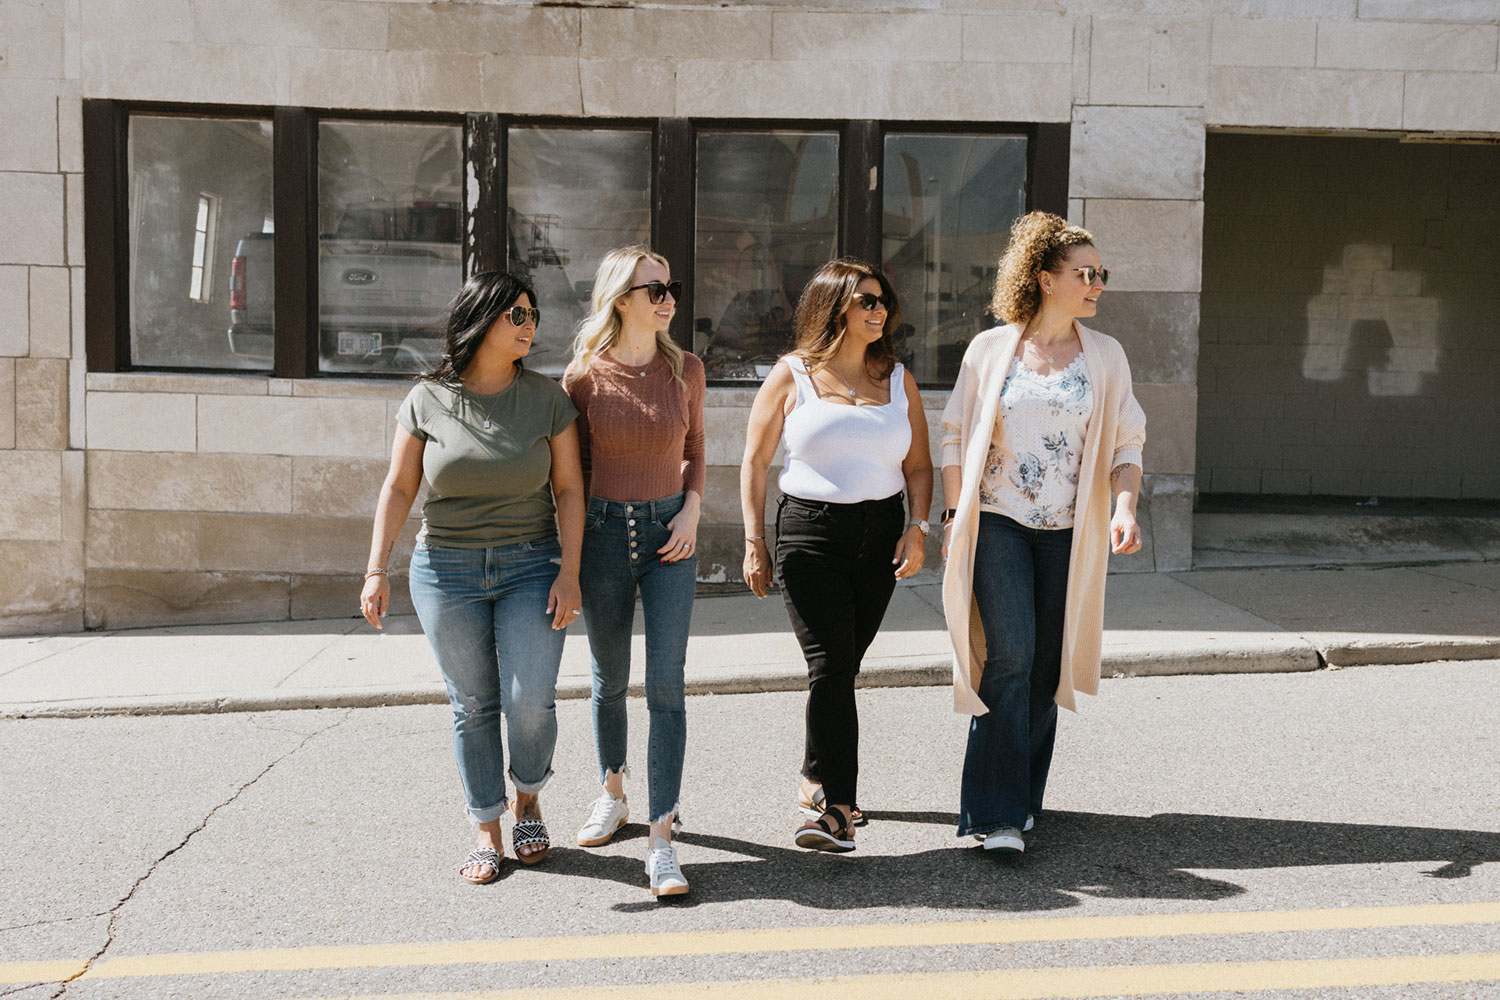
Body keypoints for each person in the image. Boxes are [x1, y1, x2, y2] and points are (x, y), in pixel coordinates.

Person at [360, 271, 584, 885]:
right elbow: (400, 486)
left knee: (529, 699)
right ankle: (488, 827)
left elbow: (568, 487)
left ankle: (529, 797)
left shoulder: (547, 398)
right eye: (518, 314)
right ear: (482, 319)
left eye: (534, 315)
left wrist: (571, 569)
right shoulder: (428, 399)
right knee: (473, 704)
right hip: (445, 569)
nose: (530, 325)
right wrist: (376, 568)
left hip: (531, 563)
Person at [938, 211, 1146, 854]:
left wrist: (1125, 508)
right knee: (1011, 656)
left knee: (1046, 666)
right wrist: (952, 516)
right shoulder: (990, 350)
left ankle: (1021, 795)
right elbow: (952, 436)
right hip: (998, 521)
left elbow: (1127, 443)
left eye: (1101, 273)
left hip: (1068, 533)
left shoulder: (1105, 357)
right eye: (1085, 273)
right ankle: (994, 815)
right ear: (1044, 278)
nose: (1097, 284)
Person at [741, 257, 934, 853]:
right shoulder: (791, 375)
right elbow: (753, 462)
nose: (879, 311)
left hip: (880, 536)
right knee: (829, 666)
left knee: (841, 668)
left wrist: (918, 527)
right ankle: (839, 810)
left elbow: (919, 465)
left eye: (882, 301)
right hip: (809, 534)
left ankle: (812, 774)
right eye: (866, 301)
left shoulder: (897, 378)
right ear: (835, 309)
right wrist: (753, 542)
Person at [563, 247, 706, 898]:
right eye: (654, 289)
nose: (668, 297)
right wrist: (567, 561)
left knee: (667, 687)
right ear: (621, 299)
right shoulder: (583, 378)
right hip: (601, 534)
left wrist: (691, 514)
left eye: (671, 287)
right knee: (609, 677)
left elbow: (697, 452)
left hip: (670, 536)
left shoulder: (688, 370)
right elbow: (571, 477)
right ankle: (613, 792)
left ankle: (662, 841)